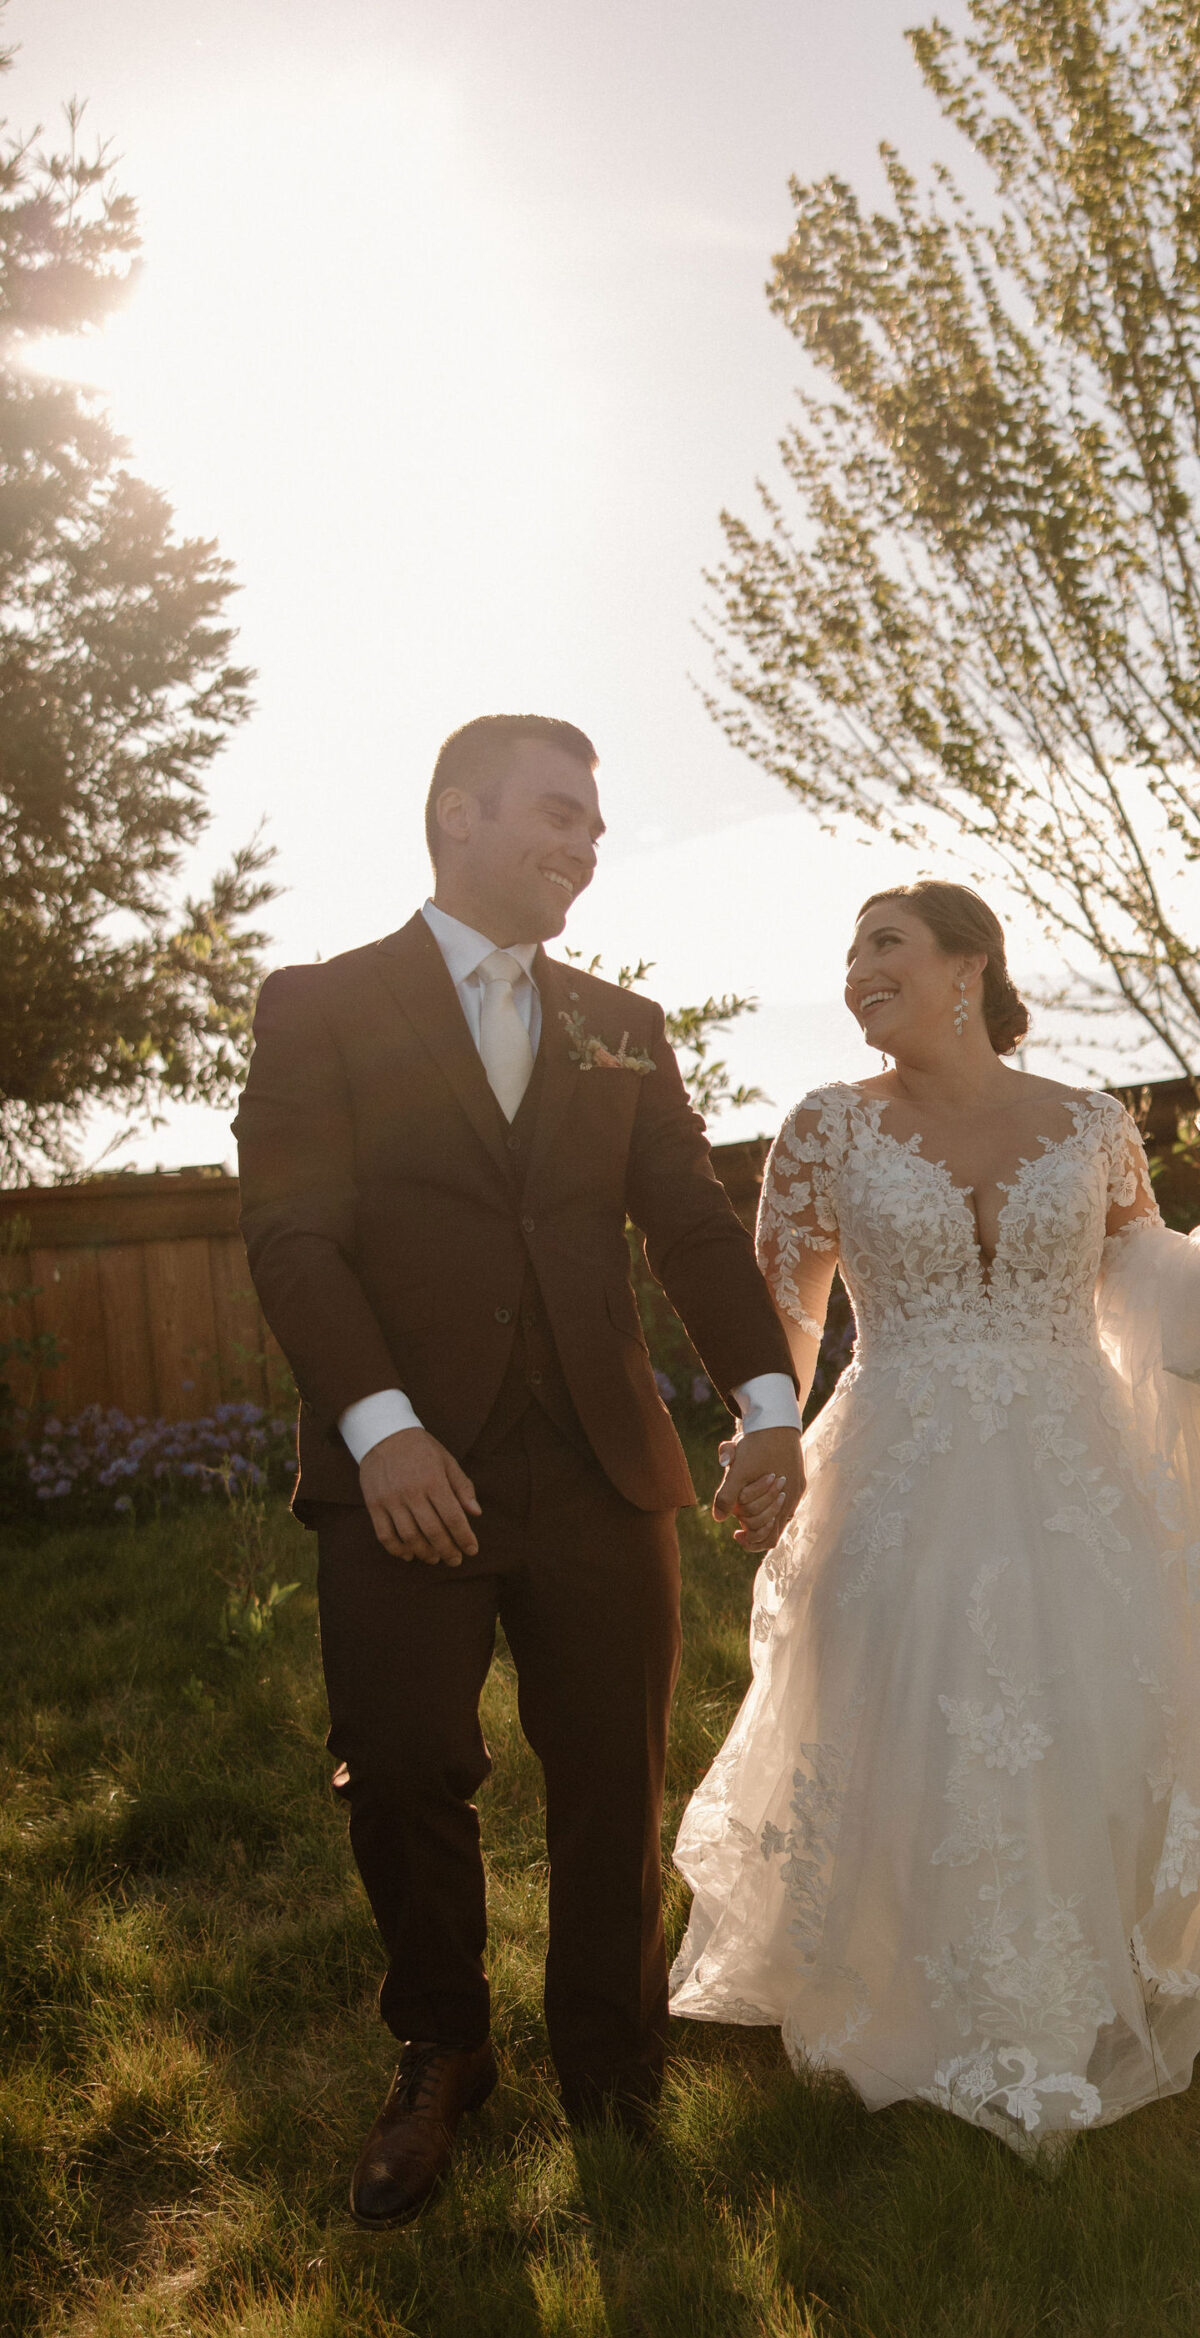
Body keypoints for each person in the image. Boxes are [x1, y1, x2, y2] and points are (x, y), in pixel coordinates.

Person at [669, 882, 1200, 2147]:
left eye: (883, 942)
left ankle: (1081, 1967)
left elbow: (1148, 1278)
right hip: (899, 1461)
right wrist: (764, 1433)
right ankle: (910, 1972)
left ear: (967, 967)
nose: (855, 969)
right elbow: (786, 1334)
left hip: (1073, 1459)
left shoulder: (1093, 1125)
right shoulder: (822, 1130)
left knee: (1088, 1699)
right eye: (848, 948)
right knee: (907, 1699)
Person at [235, 714, 805, 2226]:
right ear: (456, 816)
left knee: (610, 1779)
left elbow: (686, 1223)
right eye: (556, 814)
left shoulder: (623, 1022)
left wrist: (767, 1403)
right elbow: (293, 1237)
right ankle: (439, 2048)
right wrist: (381, 1430)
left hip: (600, 1470)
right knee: (406, 1765)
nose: (583, 846)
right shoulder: (317, 1008)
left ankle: (611, 2075)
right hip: (404, 1472)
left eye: (596, 828)